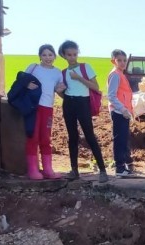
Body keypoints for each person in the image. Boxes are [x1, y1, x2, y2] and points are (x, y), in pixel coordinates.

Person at [57, 40, 107, 183]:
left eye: (74, 54)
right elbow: (64, 93)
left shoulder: (86, 67)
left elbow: (96, 87)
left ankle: (103, 170)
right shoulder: (64, 72)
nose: (72, 57)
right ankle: (74, 170)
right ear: (64, 55)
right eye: (69, 55)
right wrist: (59, 92)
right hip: (68, 103)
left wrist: (79, 78)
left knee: (90, 135)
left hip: (83, 103)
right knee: (72, 136)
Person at [23, 44, 64, 180]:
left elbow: (60, 91)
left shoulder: (58, 72)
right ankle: (33, 170)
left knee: (46, 139)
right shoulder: (33, 68)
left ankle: (47, 169)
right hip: (33, 107)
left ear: (55, 56)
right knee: (33, 137)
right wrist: (27, 85)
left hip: (48, 108)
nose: (47, 57)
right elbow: (21, 80)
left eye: (50, 54)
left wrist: (60, 90)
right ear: (40, 56)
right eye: (44, 55)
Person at [107, 49, 134, 177]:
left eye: (124, 60)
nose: (122, 63)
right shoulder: (115, 75)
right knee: (119, 140)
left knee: (123, 139)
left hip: (123, 112)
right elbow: (111, 96)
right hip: (119, 112)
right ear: (113, 61)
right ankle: (119, 168)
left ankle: (122, 166)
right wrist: (123, 109)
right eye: (119, 60)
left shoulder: (121, 74)